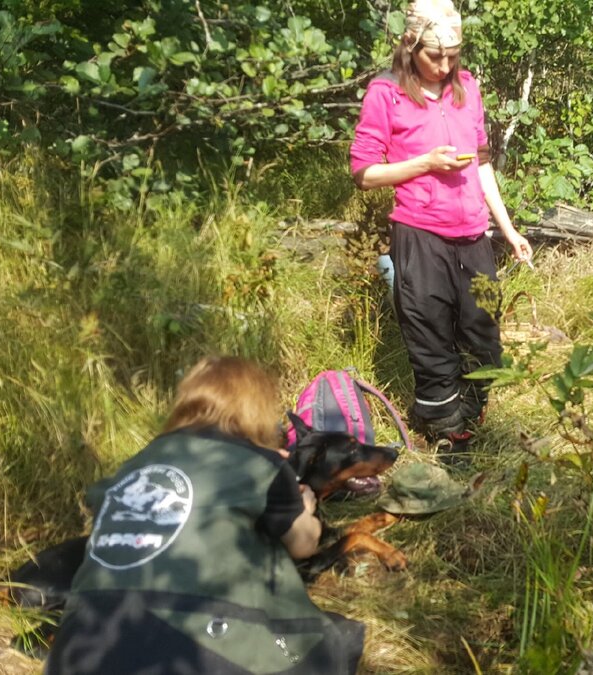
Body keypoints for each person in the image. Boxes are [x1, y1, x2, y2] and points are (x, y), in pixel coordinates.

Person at [46, 356, 364, 674]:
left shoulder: (139, 461)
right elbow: (303, 544)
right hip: (195, 648)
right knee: (336, 640)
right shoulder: (261, 463)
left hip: (78, 647)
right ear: (255, 409)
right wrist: (305, 507)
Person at [350, 0, 532, 453]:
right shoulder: (385, 93)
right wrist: (425, 163)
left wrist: (507, 230)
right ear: (410, 45)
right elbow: (364, 174)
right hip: (419, 236)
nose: (446, 65)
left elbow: (483, 165)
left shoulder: (466, 87)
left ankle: (473, 412)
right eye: (436, 56)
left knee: (485, 327)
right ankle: (447, 432)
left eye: (454, 55)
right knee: (429, 333)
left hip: (475, 236)